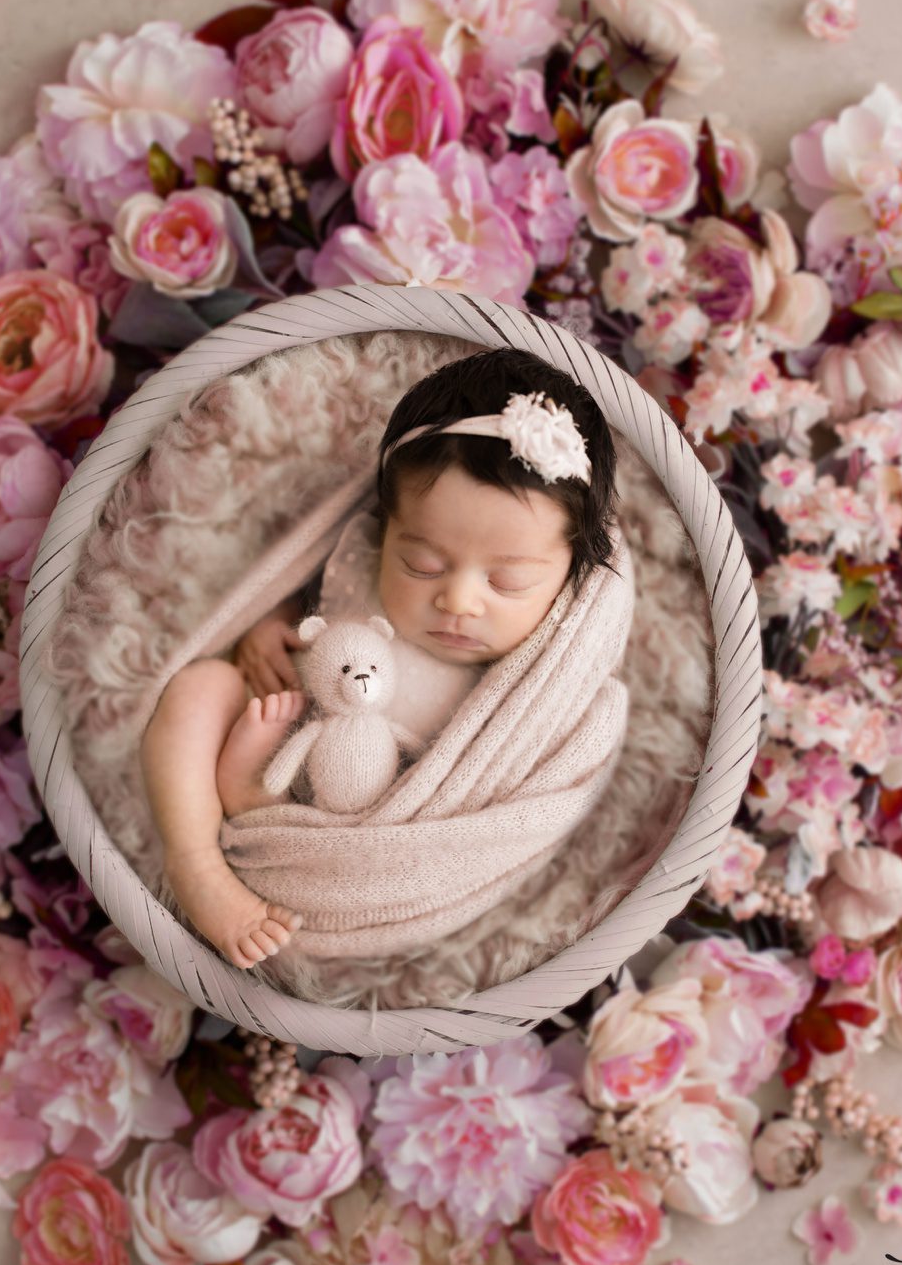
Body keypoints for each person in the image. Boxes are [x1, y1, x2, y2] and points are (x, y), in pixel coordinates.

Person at [137, 346, 620, 969]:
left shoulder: (539, 672)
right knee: (200, 687)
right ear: (386, 526)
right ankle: (198, 862)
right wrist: (270, 628)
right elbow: (310, 608)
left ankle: (253, 805)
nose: (458, 600)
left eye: (508, 583)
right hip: (289, 729)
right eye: (421, 564)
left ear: (567, 580)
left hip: (388, 832)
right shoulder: (358, 559)